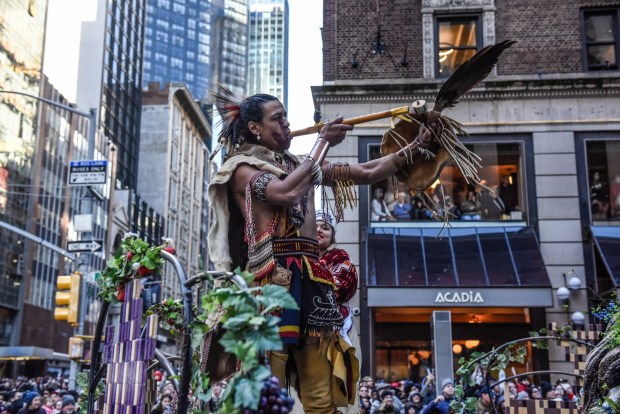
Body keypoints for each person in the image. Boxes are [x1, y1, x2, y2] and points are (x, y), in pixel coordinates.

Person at [207, 87, 436, 413]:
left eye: (286, 117)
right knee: (267, 379)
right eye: (278, 118)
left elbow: (367, 172)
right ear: (254, 128)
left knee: (319, 391)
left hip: (312, 278)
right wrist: (323, 140)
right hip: (271, 281)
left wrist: (416, 146)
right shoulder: (241, 168)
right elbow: (284, 193)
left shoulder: (300, 164)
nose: (287, 124)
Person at [316, 209, 360, 408]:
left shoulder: (339, 256)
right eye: (314, 226)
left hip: (334, 324)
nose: (318, 230)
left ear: (332, 234)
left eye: (324, 228)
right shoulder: (299, 254)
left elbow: (344, 284)